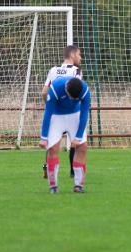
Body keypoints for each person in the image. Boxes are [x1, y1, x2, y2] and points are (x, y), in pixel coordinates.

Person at [39, 77, 91, 194]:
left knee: (82, 147)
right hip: (57, 116)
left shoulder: (85, 90)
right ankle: (53, 186)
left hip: (75, 116)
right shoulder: (54, 89)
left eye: (75, 98)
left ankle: (79, 185)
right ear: (66, 88)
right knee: (53, 148)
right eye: (70, 96)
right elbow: (48, 113)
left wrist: (78, 138)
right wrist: (44, 138)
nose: (72, 100)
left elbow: (84, 114)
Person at [42, 45, 84, 179]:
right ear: (72, 55)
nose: (80, 58)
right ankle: (73, 170)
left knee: (53, 141)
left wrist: (51, 106)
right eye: (79, 55)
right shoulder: (76, 71)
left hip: (55, 111)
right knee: (75, 140)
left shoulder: (53, 70)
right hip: (71, 111)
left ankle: (48, 167)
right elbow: (78, 92)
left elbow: (44, 92)